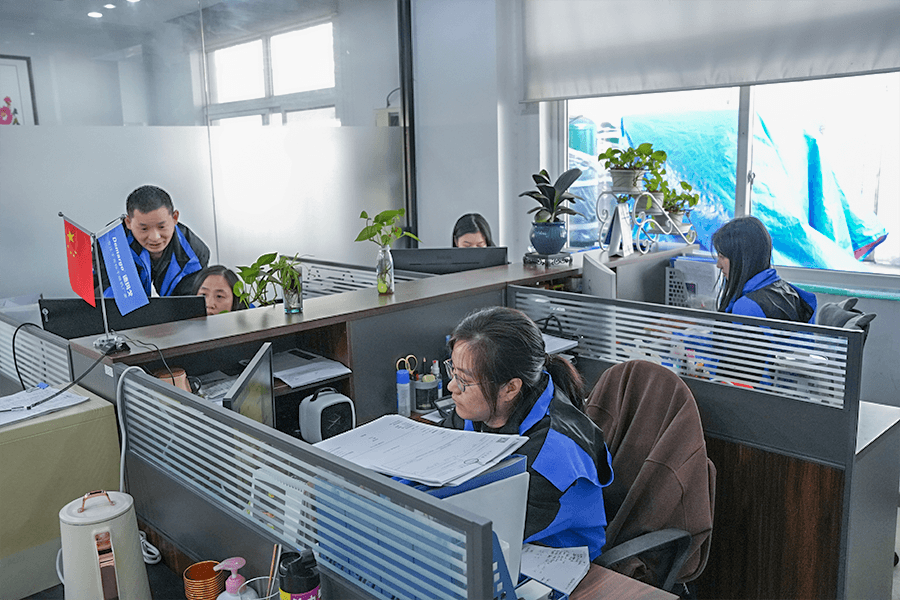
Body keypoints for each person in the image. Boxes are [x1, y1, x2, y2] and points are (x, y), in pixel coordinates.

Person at [440, 306, 613, 559]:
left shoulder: (553, 453)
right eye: (453, 372)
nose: (451, 387)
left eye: (464, 380)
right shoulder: (476, 411)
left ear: (510, 388)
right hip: (500, 542)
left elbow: (495, 531)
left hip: (556, 558)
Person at [99, 185, 210, 298]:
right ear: (128, 222)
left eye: (162, 227)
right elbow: (103, 297)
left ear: (175, 218)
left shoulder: (194, 253)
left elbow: (189, 302)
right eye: (144, 228)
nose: (155, 238)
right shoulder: (108, 246)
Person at [712, 215, 816, 322]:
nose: (718, 265)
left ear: (742, 259)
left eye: (722, 257)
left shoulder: (747, 307)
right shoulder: (788, 291)